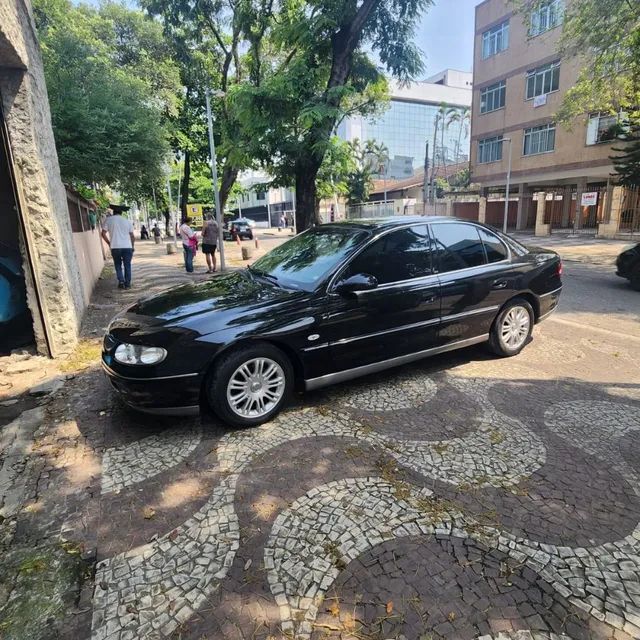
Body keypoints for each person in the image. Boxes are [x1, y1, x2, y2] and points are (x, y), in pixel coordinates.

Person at [101, 204, 135, 289]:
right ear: (121, 213)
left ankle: (121, 281)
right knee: (127, 265)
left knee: (117, 265)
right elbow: (132, 236)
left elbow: (103, 233)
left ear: (113, 212)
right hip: (127, 247)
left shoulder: (108, 220)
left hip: (115, 247)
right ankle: (127, 284)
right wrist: (132, 246)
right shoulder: (127, 221)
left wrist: (109, 243)